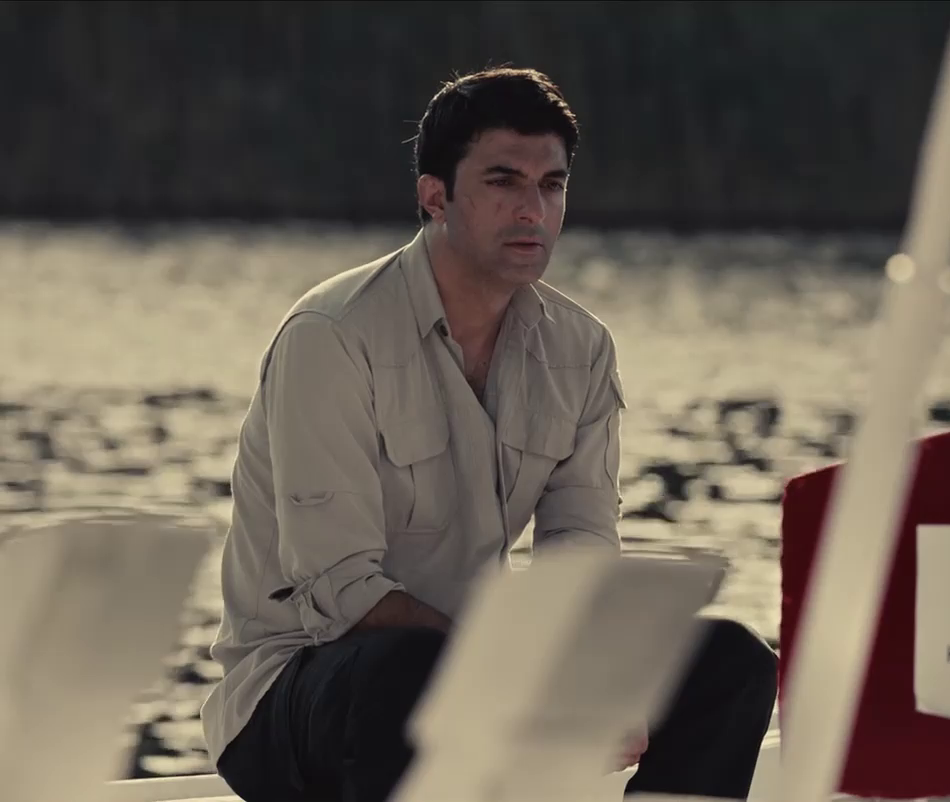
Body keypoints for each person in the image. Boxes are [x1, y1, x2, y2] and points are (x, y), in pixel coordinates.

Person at [201, 67, 778, 802]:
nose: (532, 209)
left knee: (730, 660)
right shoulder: (332, 336)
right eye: (503, 181)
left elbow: (580, 547)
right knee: (402, 672)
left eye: (552, 185)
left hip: (473, 669)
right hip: (297, 691)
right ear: (434, 196)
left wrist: (594, 673)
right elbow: (342, 594)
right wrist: (507, 677)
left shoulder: (580, 349)